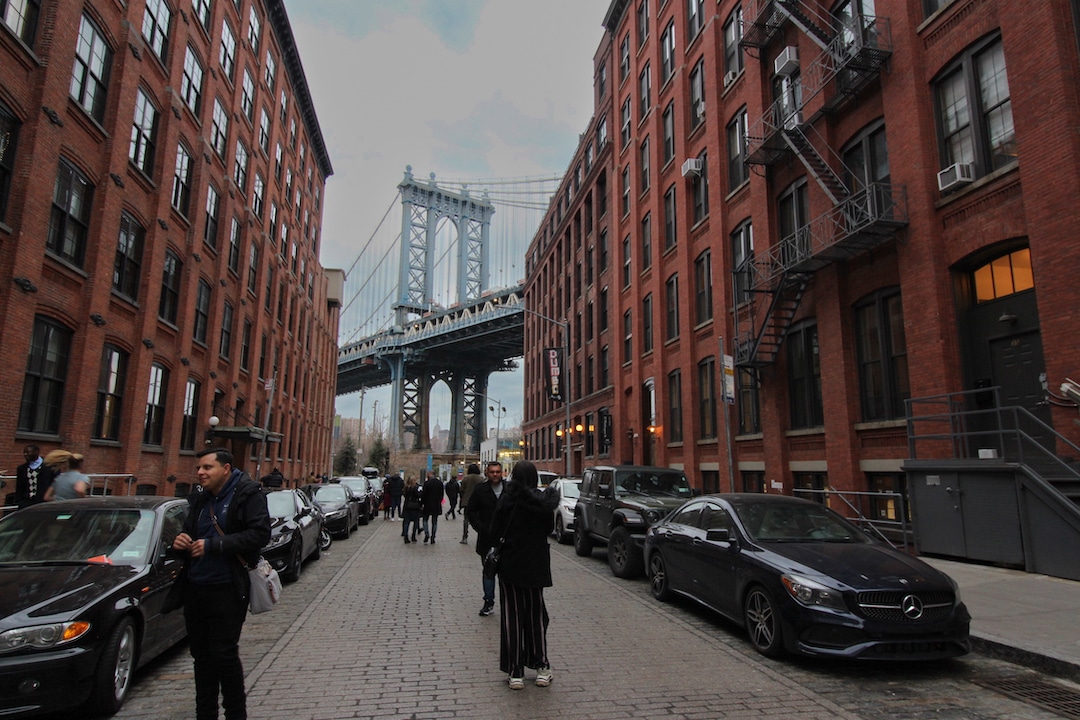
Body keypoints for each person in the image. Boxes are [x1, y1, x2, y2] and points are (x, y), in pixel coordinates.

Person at [169, 447, 271, 720]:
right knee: (201, 657)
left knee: (224, 654)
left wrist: (215, 545)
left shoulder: (248, 494)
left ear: (225, 469)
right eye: (199, 468)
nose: (200, 472)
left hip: (228, 587)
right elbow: (189, 536)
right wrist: (180, 543)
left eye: (207, 467)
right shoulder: (201, 499)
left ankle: (236, 714)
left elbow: (260, 535)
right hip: (196, 587)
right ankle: (206, 714)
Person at [489, 461, 559, 690]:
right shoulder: (542, 502)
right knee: (536, 615)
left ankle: (516, 671)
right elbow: (548, 529)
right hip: (535, 566)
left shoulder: (507, 500)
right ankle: (542, 666)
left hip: (510, 566)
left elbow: (494, 531)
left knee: (512, 616)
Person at [466, 461, 505, 616]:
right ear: (487, 473)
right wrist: (480, 528)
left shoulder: (509, 490)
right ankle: (488, 601)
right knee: (488, 572)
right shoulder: (480, 490)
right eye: (492, 472)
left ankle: (507, 601)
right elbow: (471, 511)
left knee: (506, 573)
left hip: (506, 540)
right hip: (487, 539)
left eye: (498, 472)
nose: (495, 474)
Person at [14, 444, 55, 509]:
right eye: (24, 452)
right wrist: (19, 501)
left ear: (36, 452)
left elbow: (54, 483)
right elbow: (19, 486)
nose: (25, 454)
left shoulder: (49, 466)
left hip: (43, 502)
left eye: (28, 452)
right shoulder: (22, 468)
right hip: (26, 502)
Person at [459, 463, 483, 544]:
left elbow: (461, 490)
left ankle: (465, 537)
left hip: (467, 502)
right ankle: (480, 535)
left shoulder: (465, 478)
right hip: (478, 502)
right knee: (479, 520)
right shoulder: (481, 479)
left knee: (466, 520)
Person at [420, 472, 444, 543]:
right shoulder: (440, 483)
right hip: (436, 505)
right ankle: (433, 536)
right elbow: (441, 495)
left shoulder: (427, 483)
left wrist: (421, 504)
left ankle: (426, 533)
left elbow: (423, 495)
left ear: (430, 475)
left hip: (427, 504)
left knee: (425, 520)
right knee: (434, 521)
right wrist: (439, 502)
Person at [400, 475, 422, 543]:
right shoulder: (415, 488)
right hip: (414, 506)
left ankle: (406, 536)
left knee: (407, 522)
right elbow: (419, 495)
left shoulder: (406, 488)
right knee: (415, 522)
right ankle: (413, 536)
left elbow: (404, 495)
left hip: (406, 506)